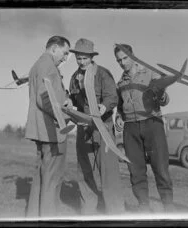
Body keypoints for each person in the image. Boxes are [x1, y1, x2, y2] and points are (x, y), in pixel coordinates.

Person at [114, 44, 174, 212]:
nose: (122, 63)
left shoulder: (151, 74)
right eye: (119, 60)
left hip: (152, 123)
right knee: (135, 170)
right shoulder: (121, 82)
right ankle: (143, 207)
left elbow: (165, 100)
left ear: (132, 56)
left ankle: (169, 208)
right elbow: (120, 106)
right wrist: (119, 116)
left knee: (161, 167)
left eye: (125, 58)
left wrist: (161, 94)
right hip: (130, 128)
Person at [69, 38, 125, 214]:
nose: (82, 62)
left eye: (85, 58)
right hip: (83, 129)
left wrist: (104, 106)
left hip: (103, 129)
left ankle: (116, 213)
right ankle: (88, 211)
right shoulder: (74, 77)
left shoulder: (103, 73)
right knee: (85, 173)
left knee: (109, 174)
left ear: (92, 57)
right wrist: (68, 105)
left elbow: (113, 97)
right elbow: (74, 100)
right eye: (79, 58)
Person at [24, 36, 72, 217]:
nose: (66, 58)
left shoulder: (37, 65)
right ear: (54, 48)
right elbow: (45, 99)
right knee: (52, 179)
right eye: (65, 53)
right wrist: (67, 115)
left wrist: (64, 100)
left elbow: (47, 97)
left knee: (40, 178)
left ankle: (34, 218)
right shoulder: (48, 66)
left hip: (42, 130)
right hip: (52, 131)